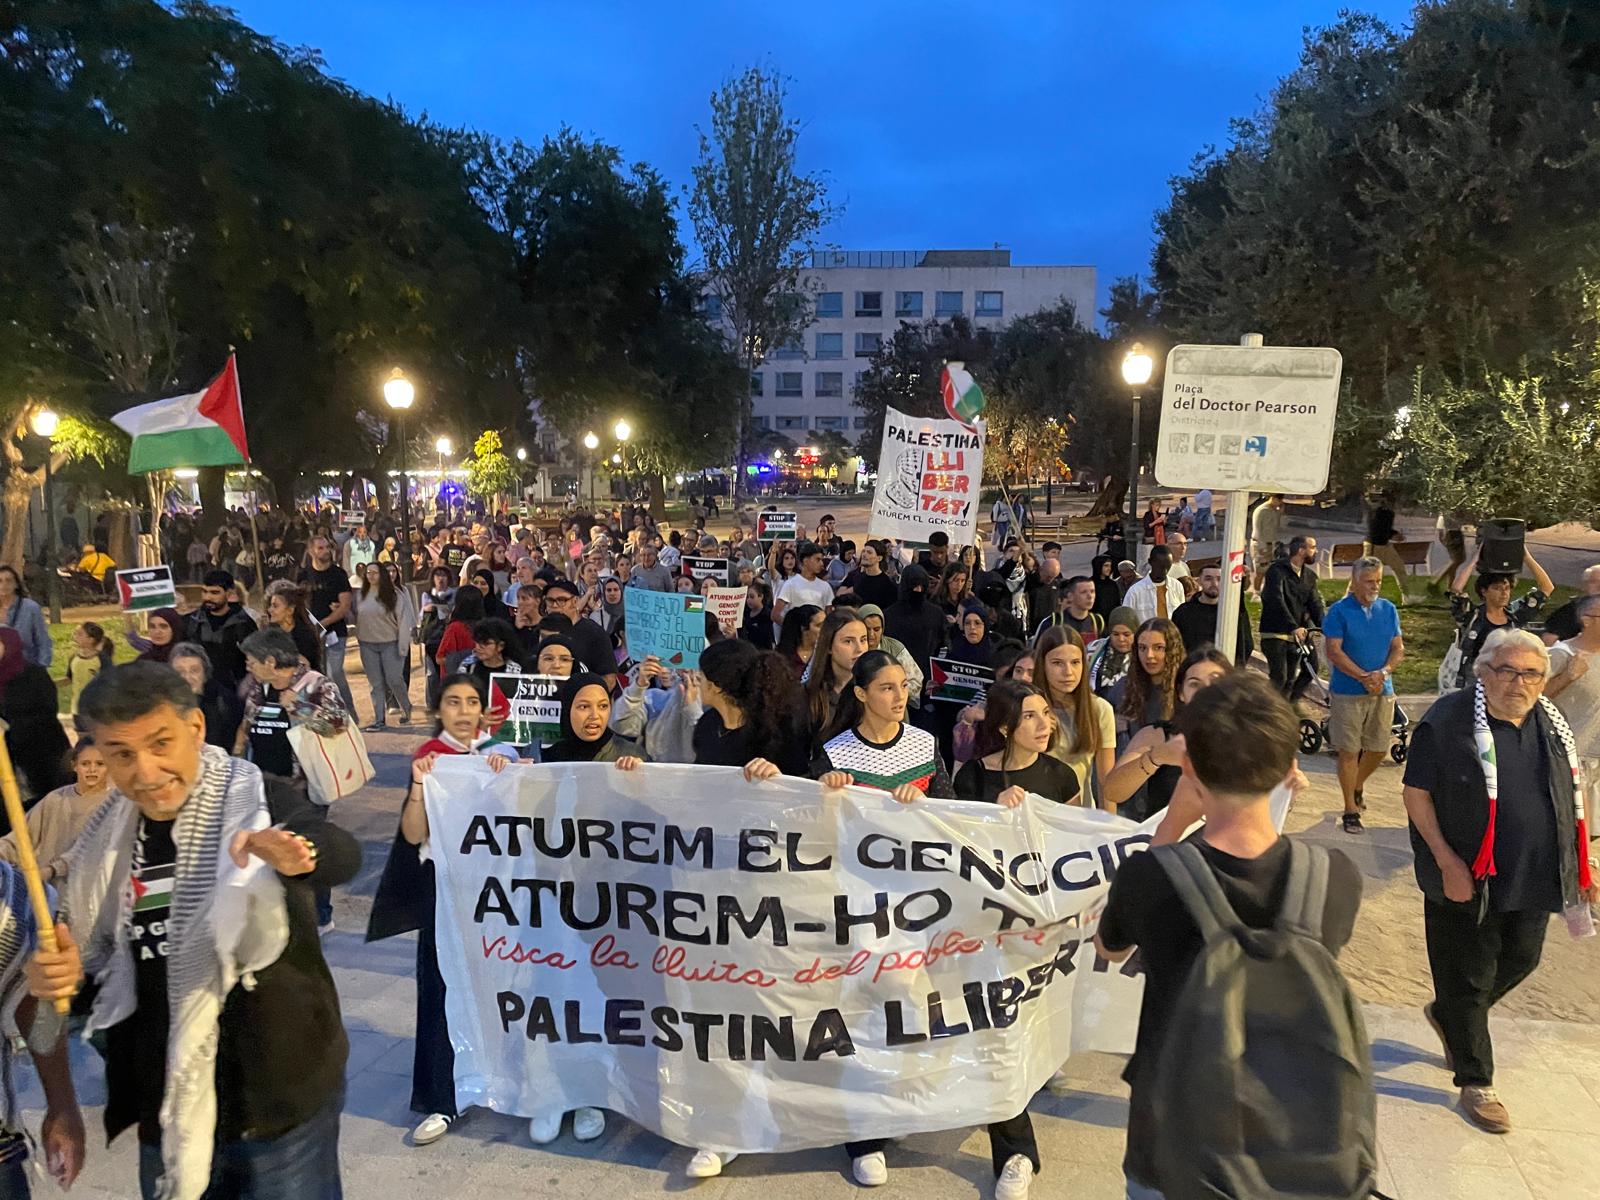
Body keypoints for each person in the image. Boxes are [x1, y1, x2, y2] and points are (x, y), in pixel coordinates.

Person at [38, 660, 360, 1200]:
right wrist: (65, 982)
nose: (144, 770)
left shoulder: (258, 801)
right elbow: (98, 974)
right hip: (163, 1103)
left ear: (195, 729)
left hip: (280, 1103)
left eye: (161, 743)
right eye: (120, 753)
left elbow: (341, 854)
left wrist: (300, 855)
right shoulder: (100, 843)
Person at [1096, 670, 1363, 1200]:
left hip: (1172, 1139)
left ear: (1190, 767)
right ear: (1291, 767)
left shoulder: (1153, 877)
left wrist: (1171, 825)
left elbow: (1111, 947)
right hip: (1294, 1137)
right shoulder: (1334, 875)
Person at [1402, 628, 1593, 1134]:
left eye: (1530, 673)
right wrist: (1445, 860)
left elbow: (1572, 788)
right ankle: (1476, 1080)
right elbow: (1416, 794)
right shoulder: (1448, 720)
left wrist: (1581, 862)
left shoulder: (1552, 723)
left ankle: (1453, 1018)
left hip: (1533, 870)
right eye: (1505, 670)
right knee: (1468, 971)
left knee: (1522, 958)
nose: (1517, 682)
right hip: (1466, 874)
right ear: (1482, 671)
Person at [369, 673, 523, 1150]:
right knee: (440, 989)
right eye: (452, 701)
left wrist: (506, 773)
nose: (462, 710)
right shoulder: (428, 762)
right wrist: (420, 786)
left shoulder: (503, 753)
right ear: (438, 710)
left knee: (512, 990)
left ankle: (520, 1086)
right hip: (445, 891)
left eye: (471, 701)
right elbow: (415, 836)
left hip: (499, 892)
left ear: (483, 710)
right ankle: (441, 1098)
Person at [1324, 556, 1405, 834]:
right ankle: (1350, 808)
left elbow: (1398, 648)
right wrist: (1361, 676)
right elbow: (1334, 651)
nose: (1375, 586)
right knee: (1349, 750)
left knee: (1378, 748)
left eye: (1379, 581)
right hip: (1348, 692)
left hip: (1382, 689)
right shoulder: (1338, 612)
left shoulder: (1389, 609)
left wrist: (1383, 673)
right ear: (1355, 582)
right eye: (1369, 581)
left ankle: (1357, 783)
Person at [1101, 646, 1230, 817]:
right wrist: (1155, 758)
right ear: (1181, 693)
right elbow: (1113, 792)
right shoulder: (1158, 735)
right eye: (1194, 684)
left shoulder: (1248, 739)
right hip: (1168, 840)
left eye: (1215, 682)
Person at [695, 639, 811, 776]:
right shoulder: (707, 724)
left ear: (715, 686)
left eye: (700, 676)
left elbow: (802, 781)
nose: (696, 681)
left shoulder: (778, 730)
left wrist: (777, 776)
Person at [0, 737, 108, 884]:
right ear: (74, 765)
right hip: (47, 892)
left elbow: (90, 850)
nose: (92, 770)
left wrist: (52, 870)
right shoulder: (55, 798)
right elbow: (20, 838)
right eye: (85, 764)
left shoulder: (115, 804)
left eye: (100, 764)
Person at [955, 679, 1078, 807]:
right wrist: (995, 809)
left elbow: (1074, 825)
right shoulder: (972, 776)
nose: (1044, 724)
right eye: (1029, 716)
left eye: (1045, 712)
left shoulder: (1062, 774)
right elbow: (961, 825)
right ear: (1004, 728)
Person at [1448, 546, 1554, 689]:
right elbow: (1456, 590)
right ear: (1484, 591)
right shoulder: (1472, 616)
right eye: (1497, 588)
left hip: (1508, 676)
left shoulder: (1515, 615)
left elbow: (1547, 588)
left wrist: (1526, 557)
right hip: (1476, 676)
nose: (1504, 593)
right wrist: (1473, 562)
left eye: (1507, 588)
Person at [1033, 625, 1116, 808]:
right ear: (1042, 664)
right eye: (1057, 663)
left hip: (1080, 817)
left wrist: (1110, 831)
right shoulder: (1026, 708)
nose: (1068, 672)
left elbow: (1106, 784)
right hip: (1035, 816)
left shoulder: (1100, 709)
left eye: (1075, 662)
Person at [1545, 594, 1600, 833]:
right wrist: (1567, 677)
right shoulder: (1562, 654)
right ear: (1587, 620)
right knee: (1576, 836)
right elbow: (1531, 697)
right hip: (1573, 760)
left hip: (1596, 760)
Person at [1259, 535, 1325, 702]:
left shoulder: (1309, 576)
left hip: (1299, 634)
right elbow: (1275, 600)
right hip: (1275, 633)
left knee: (1309, 670)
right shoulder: (1277, 571)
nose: (1315, 551)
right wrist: (1293, 626)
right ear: (1301, 550)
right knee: (1280, 677)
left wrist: (1326, 627)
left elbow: (1314, 603)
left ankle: (1288, 706)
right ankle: (1267, 709)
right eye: (1312, 547)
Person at [354, 561, 417, 731]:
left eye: (375, 572)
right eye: (369, 572)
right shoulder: (361, 595)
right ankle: (379, 719)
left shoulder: (395, 595)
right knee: (376, 683)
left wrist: (403, 646)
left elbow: (403, 622)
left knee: (394, 679)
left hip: (390, 643)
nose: (371, 575)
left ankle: (406, 706)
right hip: (367, 644)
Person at [304, 535, 356, 713]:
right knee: (317, 675)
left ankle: (349, 714)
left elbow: (344, 607)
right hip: (311, 634)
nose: (326, 551)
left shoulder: (338, 574)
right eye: (320, 548)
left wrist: (322, 624)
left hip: (335, 632)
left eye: (327, 547)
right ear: (311, 551)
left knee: (335, 673)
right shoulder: (303, 574)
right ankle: (325, 712)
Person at [803, 609, 871, 739]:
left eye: (863, 640)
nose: (859, 649)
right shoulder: (806, 695)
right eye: (848, 641)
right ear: (828, 646)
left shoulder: (873, 692)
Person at [169, 641, 244, 754]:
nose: (187, 677)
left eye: (194, 670)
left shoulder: (224, 701)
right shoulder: (161, 703)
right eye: (180, 671)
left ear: (205, 673)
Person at [883, 565, 945, 702]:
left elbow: (942, 647)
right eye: (914, 587)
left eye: (921, 587)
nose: (918, 591)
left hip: (928, 682)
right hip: (897, 680)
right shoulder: (889, 615)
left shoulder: (936, 614)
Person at [1170, 563, 1253, 665]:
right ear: (1199, 581)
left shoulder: (1232, 613)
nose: (1214, 583)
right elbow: (1174, 645)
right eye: (1208, 579)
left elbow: (1246, 644)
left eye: (1219, 579)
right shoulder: (1183, 613)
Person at [543, 579, 617, 682]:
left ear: (575, 601)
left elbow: (609, 679)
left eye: (561, 600)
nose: (554, 606)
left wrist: (585, 695)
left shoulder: (594, 634)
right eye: (550, 601)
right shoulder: (541, 632)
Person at [265, 579, 325, 672]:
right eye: (270, 605)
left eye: (275, 606)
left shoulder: (304, 636)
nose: (270, 610)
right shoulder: (271, 632)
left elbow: (305, 667)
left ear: (290, 610)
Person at [0, 566, 50, 668]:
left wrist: (41, 669)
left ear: (17, 584)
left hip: (25, 668)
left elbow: (43, 640)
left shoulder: (30, 608)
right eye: (0, 581)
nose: (4, 585)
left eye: (8, 580)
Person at [1363, 493, 1409, 604]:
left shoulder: (1381, 512)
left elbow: (1383, 528)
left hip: (1383, 545)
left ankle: (1407, 597)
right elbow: (1378, 529)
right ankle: (1358, 596)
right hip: (1375, 545)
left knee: (1399, 568)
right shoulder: (1381, 512)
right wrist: (1393, 535)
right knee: (1367, 573)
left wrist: (1393, 534)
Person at [62, 620, 114, 717]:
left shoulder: (102, 659)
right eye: (75, 633)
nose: (75, 636)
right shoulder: (74, 658)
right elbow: (69, 679)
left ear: (91, 639)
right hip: (77, 709)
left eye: (80, 634)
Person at [1124, 546, 1186, 624]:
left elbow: (1182, 616)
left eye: (1168, 566)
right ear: (1150, 562)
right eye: (1160, 566)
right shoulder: (1135, 591)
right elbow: (1126, 621)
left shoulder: (1177, 586)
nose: (1165, 570)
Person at [773, 542, 834, 621]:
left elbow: (830, 616)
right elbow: (775, 615)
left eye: (822, 560)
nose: (822, 564)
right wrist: (791, 630)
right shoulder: (790, 584)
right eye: (818, 559)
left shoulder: (826, 586)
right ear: (805, 561)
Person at [434, 586, 486, 677]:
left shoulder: (455, 628)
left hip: (456, 682)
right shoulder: (485, 626)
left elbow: (440, 658)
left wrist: (463, 657)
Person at [1088, 606, 1138, 700]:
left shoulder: (1143, 653)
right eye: (1115, 634)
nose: (1121, 639)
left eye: (1126, 634)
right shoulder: (1093, 648)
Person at [1543, 563, 1600, 645]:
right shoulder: (1570, 611)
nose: (1599, 586)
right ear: (1583, 586)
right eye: (1594, 582)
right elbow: (1549, 639)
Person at [1033, 576, 1100, 642]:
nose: (1090, 596)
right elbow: (1038, 650)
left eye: (1092, 591)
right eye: (1083, 592)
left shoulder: (1098, 622)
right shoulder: (1053, 622)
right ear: (1070, 596)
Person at [835, 540, 898, 610]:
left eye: (869, 552)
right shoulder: (856, 577)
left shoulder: (887, 584)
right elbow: (839, 598)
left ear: (879, 558)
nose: (864, 554)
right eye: (864, 551)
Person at [1249, 494, 1286, 593]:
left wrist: (1279, 512)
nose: (1280, 503)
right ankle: (1256, 592)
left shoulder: (1271, 510)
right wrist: (1263, 547)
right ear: (1273, 499)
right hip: (1262, 543)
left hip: (1268, 543)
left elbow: (1276, 525)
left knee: (1267, 569)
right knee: (1260, 570)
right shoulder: (1264, 510)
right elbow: (1263, 530)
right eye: (1279, 501)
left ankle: (1263, 590)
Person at [775, 604, 824, 677]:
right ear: (803, 628)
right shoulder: (781, 657)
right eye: (819, 625)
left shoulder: (826, 653)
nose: (825, 629)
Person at [1431, 512, 1467, 593]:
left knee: (1456, 561)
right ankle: (1436, 582)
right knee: (1457, 560)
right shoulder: (1450, 511)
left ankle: (1449, 587)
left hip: (1453, 531)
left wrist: (1440, 531)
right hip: (1453, 532)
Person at [739, 580, 776, 650]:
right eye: (747, 597)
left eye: (752, 597)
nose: (749, 600)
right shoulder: (745, 613)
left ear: (761, 596)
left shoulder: (767, 615)